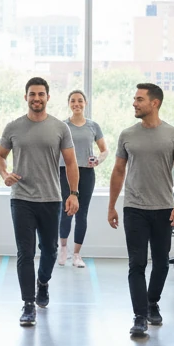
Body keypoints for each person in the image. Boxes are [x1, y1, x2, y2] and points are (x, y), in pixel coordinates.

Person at [0, 77, 80, 327]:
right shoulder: (13, 127)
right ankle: (28, 304)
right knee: (25, 252)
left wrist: (73, 193)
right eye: (32, 94)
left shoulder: (60, 128)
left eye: (41, 94)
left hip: (51, 199)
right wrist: (4, 173)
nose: (36, 98)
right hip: (21, 198)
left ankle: (43, 282)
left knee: (51, 250)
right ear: (26, 97)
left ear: (48, 97)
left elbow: (72, 162)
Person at [107, 83, 174, 339]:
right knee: (137, 263)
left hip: (164, 207)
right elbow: (119, 171)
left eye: (139, 99)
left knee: (162, 262)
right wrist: (111, 205)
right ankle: (140, 316)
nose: (134, 103)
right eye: (134, 98)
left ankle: (152, 302)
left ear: (155, 103)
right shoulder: (127, 134)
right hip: (134, 208)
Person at [58, 90, 109, 269]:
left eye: (80, 101)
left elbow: (104, 150)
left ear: (85, 103)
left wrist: (98, 160)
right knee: (65, 211)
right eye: (73, 101)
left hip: (86, 173)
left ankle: (77, 254)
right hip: (64, 171)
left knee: (82, 213)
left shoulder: (93, 126)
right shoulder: (62, 126)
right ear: (69, 103)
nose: (76, 104)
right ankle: (63, 248)